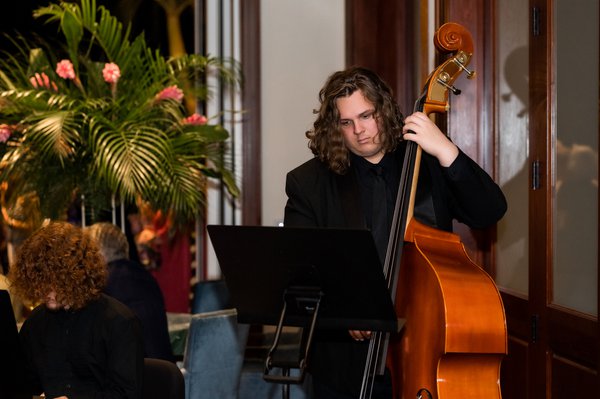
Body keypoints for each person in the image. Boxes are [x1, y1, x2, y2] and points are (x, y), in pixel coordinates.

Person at [283, 66, 507, 399]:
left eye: (366, 116)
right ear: (335, 127)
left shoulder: (427, 162)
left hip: (423, 346)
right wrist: (346, 310)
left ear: (384, 110)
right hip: (346, 366)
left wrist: (446, 149)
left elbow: (489, 211)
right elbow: (302, 267)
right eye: (347, 122)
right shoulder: (310, 183)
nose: (359, 131)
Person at [9, 221, 144, 399]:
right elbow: (23, 385)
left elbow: (127, 395)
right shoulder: (35, 325)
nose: (44, 290)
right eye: (40, 279)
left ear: (75, 275)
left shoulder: (118, 322)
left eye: (54, 280)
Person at [85, 222, 174, 362]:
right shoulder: (144, 276)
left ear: (96, 251)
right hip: (164, 373)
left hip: (136, 376)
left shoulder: (104, 284)